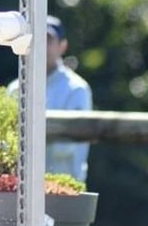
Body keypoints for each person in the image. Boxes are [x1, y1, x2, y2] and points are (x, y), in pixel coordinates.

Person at [8, 14, 93, 181]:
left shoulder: (76, 89)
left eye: (47, 39)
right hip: (19, 193)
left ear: (63, 46)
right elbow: (4, 147)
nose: (40, 45)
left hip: (65, 192)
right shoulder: (14, 89)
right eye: (36, 38)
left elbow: (65, 147)